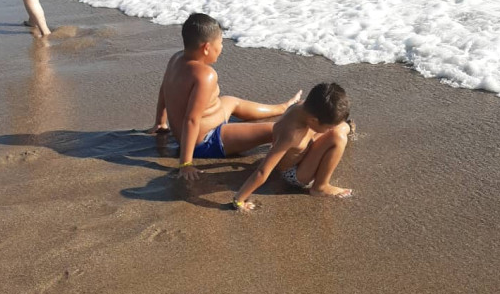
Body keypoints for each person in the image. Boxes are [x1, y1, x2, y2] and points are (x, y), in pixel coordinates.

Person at [147, 13, 301, 180]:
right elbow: (191, 119)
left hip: (189, 133)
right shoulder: (205, 75)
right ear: (206, 47)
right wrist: (185, 163)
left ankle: (282, 108)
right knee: (276, 130)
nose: (221, 47)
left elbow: (164, 89)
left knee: (231, 101)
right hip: (207, 140)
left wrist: (160, 122)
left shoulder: (175, 58)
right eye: (220, 43)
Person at [232, 83, 353, 212]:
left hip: (301, 150)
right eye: (328, 127)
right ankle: (320, 187)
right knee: (339, 137)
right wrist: (239, 199)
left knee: (342, 127)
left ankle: (342, 127)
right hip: (295, 173)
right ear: (313, 120)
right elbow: (263, 171)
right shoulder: (291, 135)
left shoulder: (303, 106)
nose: (329, 129)